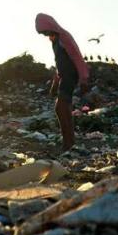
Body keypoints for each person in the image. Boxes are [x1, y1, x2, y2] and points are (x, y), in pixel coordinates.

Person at [35, 13, 89, 152]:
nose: (44, 35)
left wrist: (84, 79)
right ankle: (69, 142)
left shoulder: (64, 37)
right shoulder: (55, 40)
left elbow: (77, 57)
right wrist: (55, 83)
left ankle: (68, 143)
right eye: (42, 33)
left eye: (44, 31)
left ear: (49, 26)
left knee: (61, 108)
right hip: (65, 75)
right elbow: (59, 64)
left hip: (71, 75)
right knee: (64, 109)